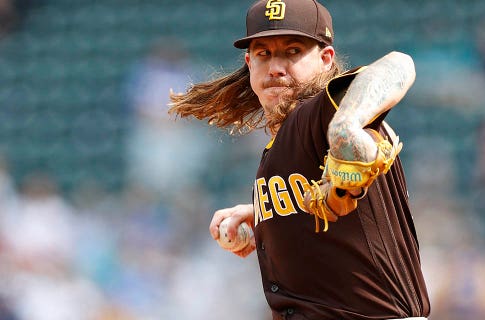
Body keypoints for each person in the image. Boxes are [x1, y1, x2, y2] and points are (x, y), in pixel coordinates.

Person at [169, 0, 430, 319]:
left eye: (292, 51)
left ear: (325, 59)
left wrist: (347, 123)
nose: (275, 66)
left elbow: (398, 66)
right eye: (264, 53)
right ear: (249, 63)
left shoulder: (323, 113)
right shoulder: (284, 143)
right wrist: (264, 214)